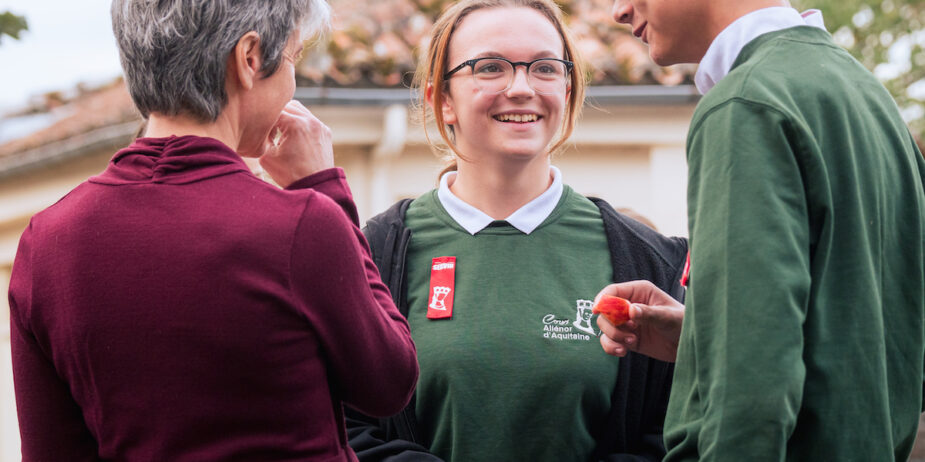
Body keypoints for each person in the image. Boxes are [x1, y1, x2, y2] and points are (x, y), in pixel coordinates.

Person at [8, 1, 418, 460]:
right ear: (249, 58)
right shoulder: (300, 225)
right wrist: (324, 188)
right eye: (293, 57)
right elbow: (390, 382)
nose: (293, 81)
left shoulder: (46, 242)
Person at [345, 0, 688, 460]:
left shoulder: (652, 262)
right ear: (441, 100)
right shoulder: (372, 255)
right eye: (490, 68)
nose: (522, 88)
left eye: (545, 68)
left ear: (567, 90)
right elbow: (344, 425)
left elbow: (676, 431)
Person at [598, 0, 925, 460]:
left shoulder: (746, 103)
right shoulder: (869, 96)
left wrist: (733, 361)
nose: (619, 10)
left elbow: (752, 390)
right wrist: (704, 340)